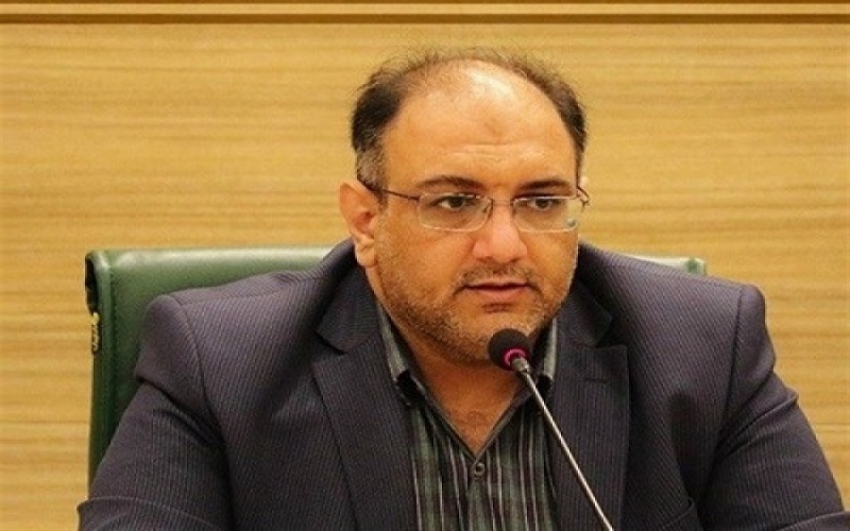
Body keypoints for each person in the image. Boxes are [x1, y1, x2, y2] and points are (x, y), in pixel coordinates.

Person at [78, 47, 847, 530]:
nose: (504, 245)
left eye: (541, 201)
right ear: (366, 220)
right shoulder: (218, 362)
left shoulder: (705, 348)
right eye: (453, 202)